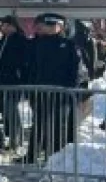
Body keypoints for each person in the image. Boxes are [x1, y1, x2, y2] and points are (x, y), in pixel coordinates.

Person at [24, 13, 87, 164]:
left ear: (59, 27)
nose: (43, 28)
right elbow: (31, 69)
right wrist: (29, 89)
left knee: (58, 126)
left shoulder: (69, 45)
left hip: (61, 94)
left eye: (48, 25)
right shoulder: (36, 44)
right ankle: (32, 155)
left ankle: (55, 157)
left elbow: (77, 71)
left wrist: (70, 90)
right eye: (43, 26)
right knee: (38, 123)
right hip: (39, 91)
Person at [0, 15, 29, 151]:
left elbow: (18, 59)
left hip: (14, 80)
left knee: (10, 108)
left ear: (13, 26)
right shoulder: (3, 40)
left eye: (5, 25)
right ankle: (6, 137)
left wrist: (12, 69)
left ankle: (16, 138)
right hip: (2, 80)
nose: (3, 28)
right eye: (2, 26)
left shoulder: (20, 40)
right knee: (0, 109)